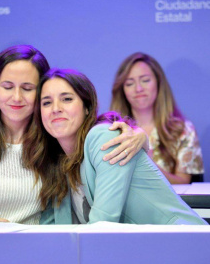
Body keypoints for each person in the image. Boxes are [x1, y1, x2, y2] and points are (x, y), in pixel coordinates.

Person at [0, 45, 147, 226]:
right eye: (7, 87)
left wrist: (140, 135)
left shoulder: (56, 143)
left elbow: (98, 135)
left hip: (38, 253)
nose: (17, 97)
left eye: (28, 88)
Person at [28, 68, 207, 225]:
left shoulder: (103, 136)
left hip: (184, 245)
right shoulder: (59, 164)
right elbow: (54, 230)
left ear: (87, 107)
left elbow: (104, 224)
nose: (55, 108)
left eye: (66, 99)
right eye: (46, 102)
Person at [110, 52, 204, 184]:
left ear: (159, 84)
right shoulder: (112, 130)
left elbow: (183, 183)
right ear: (122, 90)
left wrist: (148, 162)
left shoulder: (182, 130)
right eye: (129, 83)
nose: (138, 88)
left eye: (145, 80)